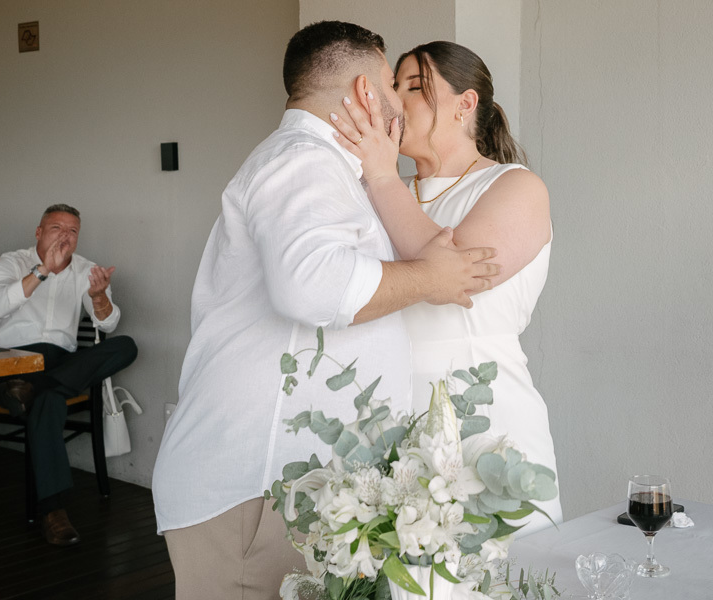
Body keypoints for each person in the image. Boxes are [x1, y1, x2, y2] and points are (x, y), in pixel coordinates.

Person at [152, 22, 500, 600]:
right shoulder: (301, 160)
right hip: (256, 489)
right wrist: (430, 279)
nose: (396, 99)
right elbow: (310, 287)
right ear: (366, 90)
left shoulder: (331, 168)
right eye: (392, 81)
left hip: (284, 489)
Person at [329, 40, 562, 534]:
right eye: (394, 87)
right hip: (386, 421)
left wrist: (379, 174)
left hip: (489, 418)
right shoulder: (375, 192)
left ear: (466, 103)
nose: (395, 100)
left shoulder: (516, 187)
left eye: (415, 86)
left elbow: (448, 274)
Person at [0, 204, 137, 546]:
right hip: (8, 363)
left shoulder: (87, 270)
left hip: (55, 366)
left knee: (126, 345)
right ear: (39, 232)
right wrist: (41, 272)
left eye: (72, 231)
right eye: (56, 228)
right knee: (51, 400)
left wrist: (99, 299)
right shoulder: (10, 262)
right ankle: (54, 513)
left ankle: (32, 389)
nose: (64, 236)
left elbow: (108, 323)